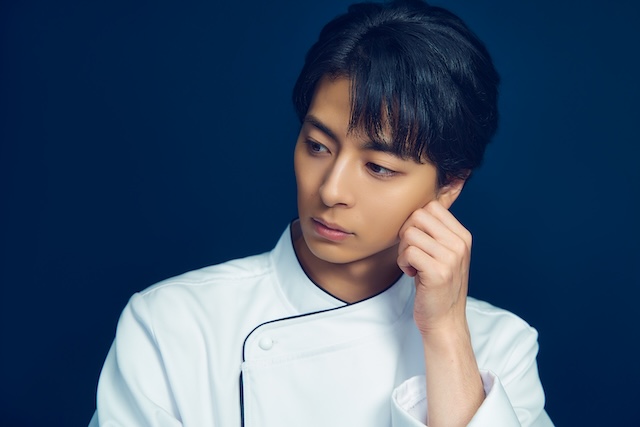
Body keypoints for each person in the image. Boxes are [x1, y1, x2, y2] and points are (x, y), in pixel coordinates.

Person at [89, 0, 553, 425]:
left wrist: (446, 332)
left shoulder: (498, 349)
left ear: (449, 185)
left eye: (378, 167)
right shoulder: (173, 324)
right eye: (317, 146)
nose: (331, 190)